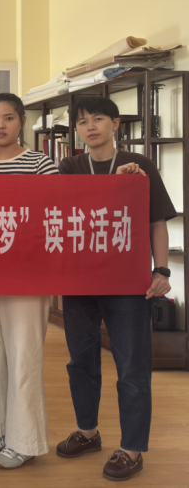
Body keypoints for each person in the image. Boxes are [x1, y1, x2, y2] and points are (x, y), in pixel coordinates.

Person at [55, 96, 175, 482]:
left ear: (115, 123)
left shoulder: (139, 165)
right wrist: (114, 185)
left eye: (98, 119)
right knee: (81, 361)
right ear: (76, 130)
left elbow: (157, 221)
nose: (90, 127)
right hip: (79, 280)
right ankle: (88, 432)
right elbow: (58, 214)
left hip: (127, 282)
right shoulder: (70, 166)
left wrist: (161, 270)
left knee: (132, 365)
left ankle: (132, 448)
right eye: (82, 122)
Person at [0, 93, 58, 469]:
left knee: (23, 356)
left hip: (26, 275)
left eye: (8, 118)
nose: (0, 125)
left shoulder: (41, 163)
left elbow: (53, 214)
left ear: (21, 121)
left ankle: (24, 440)